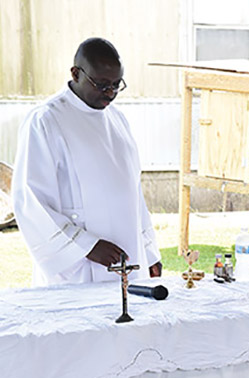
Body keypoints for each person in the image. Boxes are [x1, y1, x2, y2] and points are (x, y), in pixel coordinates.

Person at [12, 37, 162, 286]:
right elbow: (31, 200)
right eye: (102, 84)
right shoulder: (46, 120)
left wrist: (148, 252)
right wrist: (85, 247)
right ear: (76, 73)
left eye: (116, 85)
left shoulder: (117, 120)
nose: (111, 93)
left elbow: (133, 193)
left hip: (128, 258)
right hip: (79, 268)